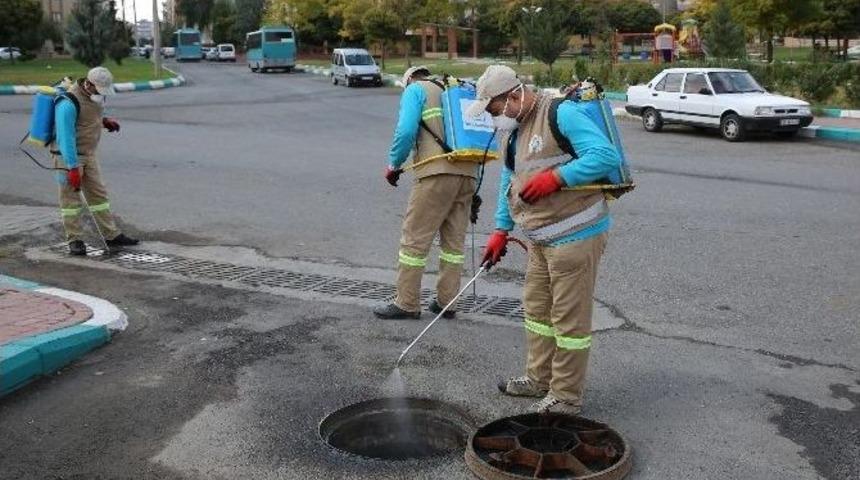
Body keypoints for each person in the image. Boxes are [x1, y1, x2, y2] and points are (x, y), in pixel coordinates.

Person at [466, 65, 621, 415]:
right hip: (539, 238)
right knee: (536, 311)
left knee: (569, 322)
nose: (493, 116)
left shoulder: (560, 113)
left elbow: (604, 156)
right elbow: (511, 178)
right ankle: (539, 378)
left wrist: (557, 178)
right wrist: (500, 230)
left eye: (494, 108)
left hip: (575, 234)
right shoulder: (512, 128)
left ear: (515, 96)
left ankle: (565, 397)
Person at [373, 66, 477, 320]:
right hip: (468, 173)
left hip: (435, 174)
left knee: (414, 239)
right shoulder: (453, 89)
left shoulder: (415, 90)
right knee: (453, 243)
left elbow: (406, 131)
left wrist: (393, 165)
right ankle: (447, 302)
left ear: (408, 80)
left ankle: (407, 303)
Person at [54, 66, 139, 255]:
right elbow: (65, 137)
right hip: (68, 157)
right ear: (88, 84)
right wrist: (73, 167)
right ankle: (74, 239)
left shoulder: (95, 97)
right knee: (71, 201)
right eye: (99, 90)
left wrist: (104, 121)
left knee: (99, 196)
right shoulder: (67, 103)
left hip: (89, 154)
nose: (102, 95)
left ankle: (111, 235)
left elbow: (87, 116)